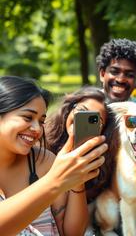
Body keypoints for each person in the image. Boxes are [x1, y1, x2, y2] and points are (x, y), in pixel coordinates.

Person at [0, 76, 107, 235]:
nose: (37, 129)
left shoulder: (43, 161)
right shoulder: (54, 173)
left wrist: (77, 181)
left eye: (41, 121)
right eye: (28, 117)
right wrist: (56, 181)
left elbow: (72, 233)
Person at [44, 86, 119, 234]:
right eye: (81, 110)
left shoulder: (99, 161)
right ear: (70, 109)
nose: (83, 120)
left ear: (103, 130)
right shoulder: (42, 142)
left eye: (94, 120)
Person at [96, 38, 136, 103]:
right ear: (102, 74)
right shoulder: (85, 108)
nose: (120, 80)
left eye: (129, 75)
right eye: (114, 72)